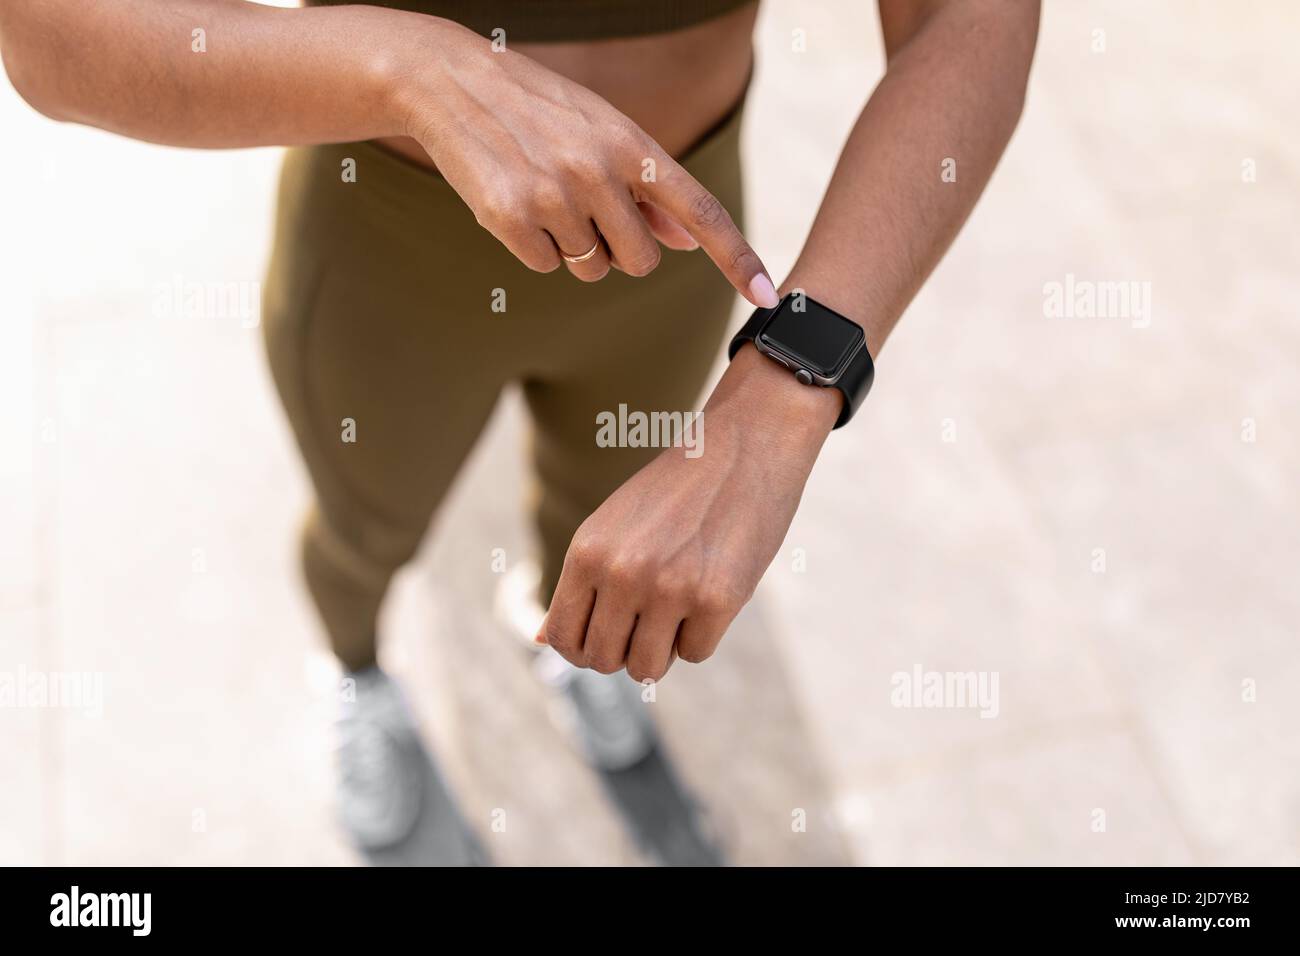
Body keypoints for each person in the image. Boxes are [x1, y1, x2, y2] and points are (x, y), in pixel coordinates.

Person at [0, 0, 1040, 857]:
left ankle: (562, 644)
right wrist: (404, 67)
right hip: (388, 239)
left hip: (676, 249)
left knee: (606, 498)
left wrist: (787, 384)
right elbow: (49, 39)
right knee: (368, 521)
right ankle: (357, 672)